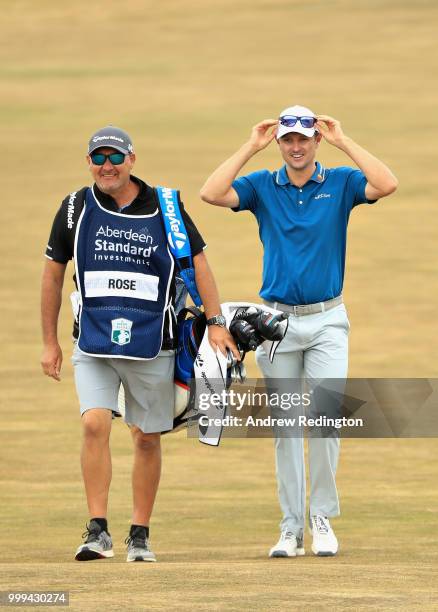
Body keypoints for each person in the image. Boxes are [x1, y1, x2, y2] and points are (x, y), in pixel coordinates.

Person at [200, 105, 398, 557]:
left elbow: (387, 184)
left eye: (303, 139)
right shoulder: (262, 187)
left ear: (315, 140)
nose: (295, 147)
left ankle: (321, 518)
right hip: (277, 325)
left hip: (328, 319)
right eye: (287, 139)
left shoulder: (343, 182)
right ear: (279, 143)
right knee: (287, 428)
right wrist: (251, 146)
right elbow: (211, 193)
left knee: (326, 421)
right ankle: (290, 528)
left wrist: (344, 140)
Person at [41, 125, 239, 562]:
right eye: (98, 158)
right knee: (94, 423)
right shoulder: (74, 208)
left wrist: (216, 321)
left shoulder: (166, 209)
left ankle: (140, 533)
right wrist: (49, 342)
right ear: (89, 163)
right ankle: (97, 530)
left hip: (153, 342)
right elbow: (53, 274)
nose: (107, 166)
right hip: (93, 341)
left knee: (147, 437)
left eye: (115, 157)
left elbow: (199, 264)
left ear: (132, 160)